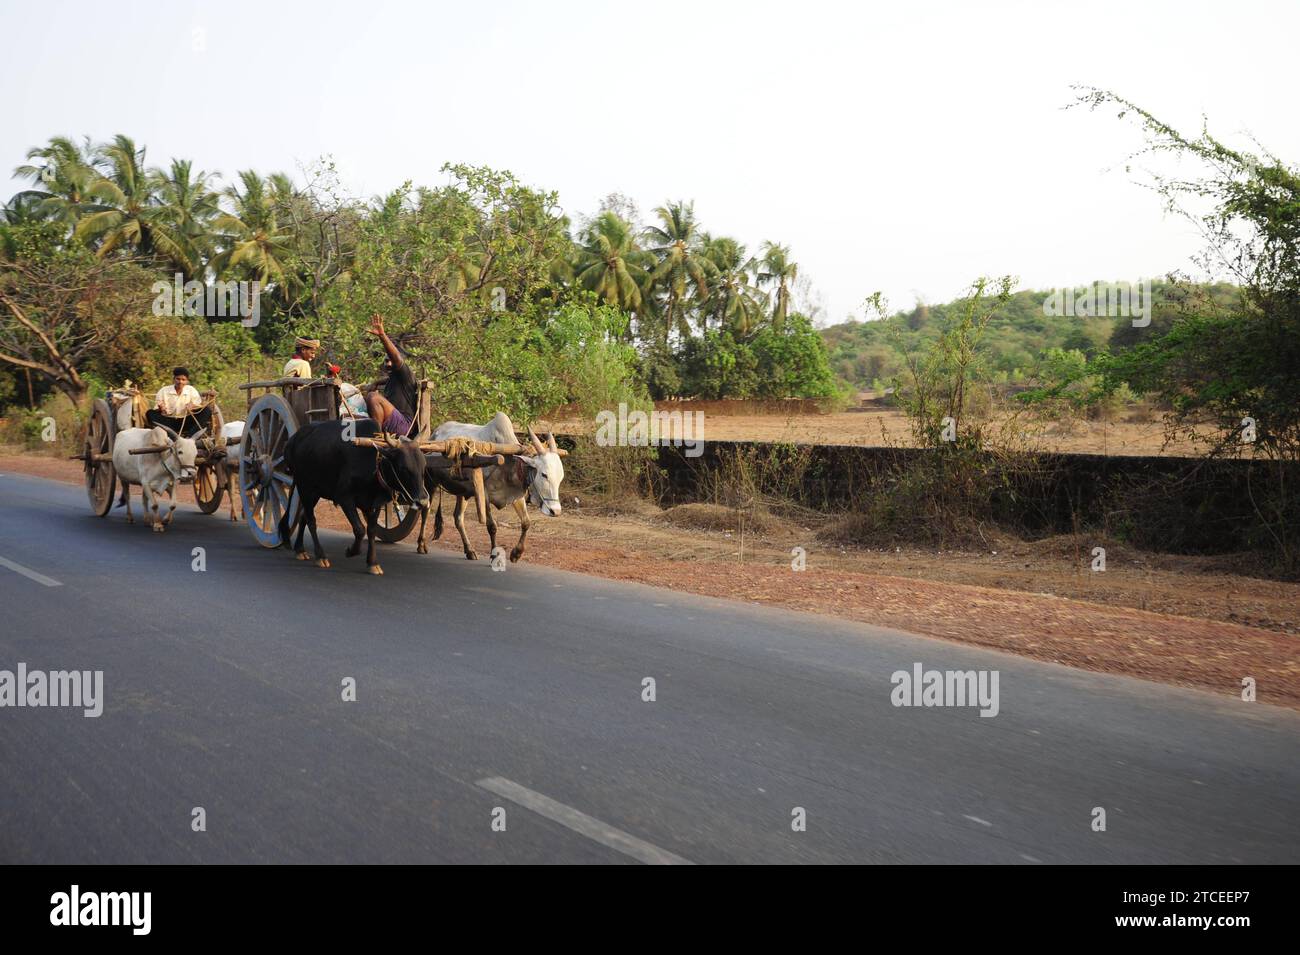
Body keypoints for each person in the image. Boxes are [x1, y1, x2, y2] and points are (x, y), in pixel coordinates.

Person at [364, 314, 417, 436]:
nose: (388, 363)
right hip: (393, 422)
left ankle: (376, 435)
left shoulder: (406, 374)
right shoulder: (392, 378)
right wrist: (376, 382)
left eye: (390, 360)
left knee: (374, 397)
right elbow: (386, 379)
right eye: (386, 361)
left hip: (404, 426)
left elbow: (396, 357)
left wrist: (382, 336)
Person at [147, 367, 212, 436]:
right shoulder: (164, 390)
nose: (180, 382)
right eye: (178, 379)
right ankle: (171, 434)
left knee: (207, 411)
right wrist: (161, 408)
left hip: (186, 421)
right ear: (174, 379)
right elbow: (157, 408)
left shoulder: (191, 390)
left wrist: (192, 406)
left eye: (183, 380)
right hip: (168, 422)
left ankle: (190, 436)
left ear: (187, 381)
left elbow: (198, 406)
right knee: (150, 413)